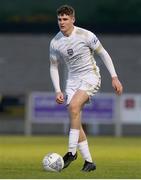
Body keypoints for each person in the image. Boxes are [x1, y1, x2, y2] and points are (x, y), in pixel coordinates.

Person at [50, 5, 123, 172]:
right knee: (75, 119)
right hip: (72, 81)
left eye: (65, 19)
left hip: (90, 76)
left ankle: (71, 152)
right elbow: (53, 67)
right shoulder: (55, 42)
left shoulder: (86, 35)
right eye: (60, 19)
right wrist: (57, 90)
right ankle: (89, 162)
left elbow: (103, 53)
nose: (62, 22)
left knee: (74, 107)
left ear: (73, 19)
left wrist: (114, 77)